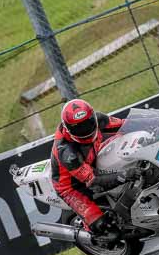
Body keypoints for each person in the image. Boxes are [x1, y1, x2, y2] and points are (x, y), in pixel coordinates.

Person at [50, 99, 138, 237]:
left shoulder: (99, 119)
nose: (85, 129)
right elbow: (93, 181)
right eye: (78, 128)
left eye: (88, 123)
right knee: (100, 224)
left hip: (91, 161)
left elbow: (126, 125)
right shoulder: (67, 153)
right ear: (68, 128)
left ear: (92, 117)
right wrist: (125, 175)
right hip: (72, 186)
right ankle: (92, 233)